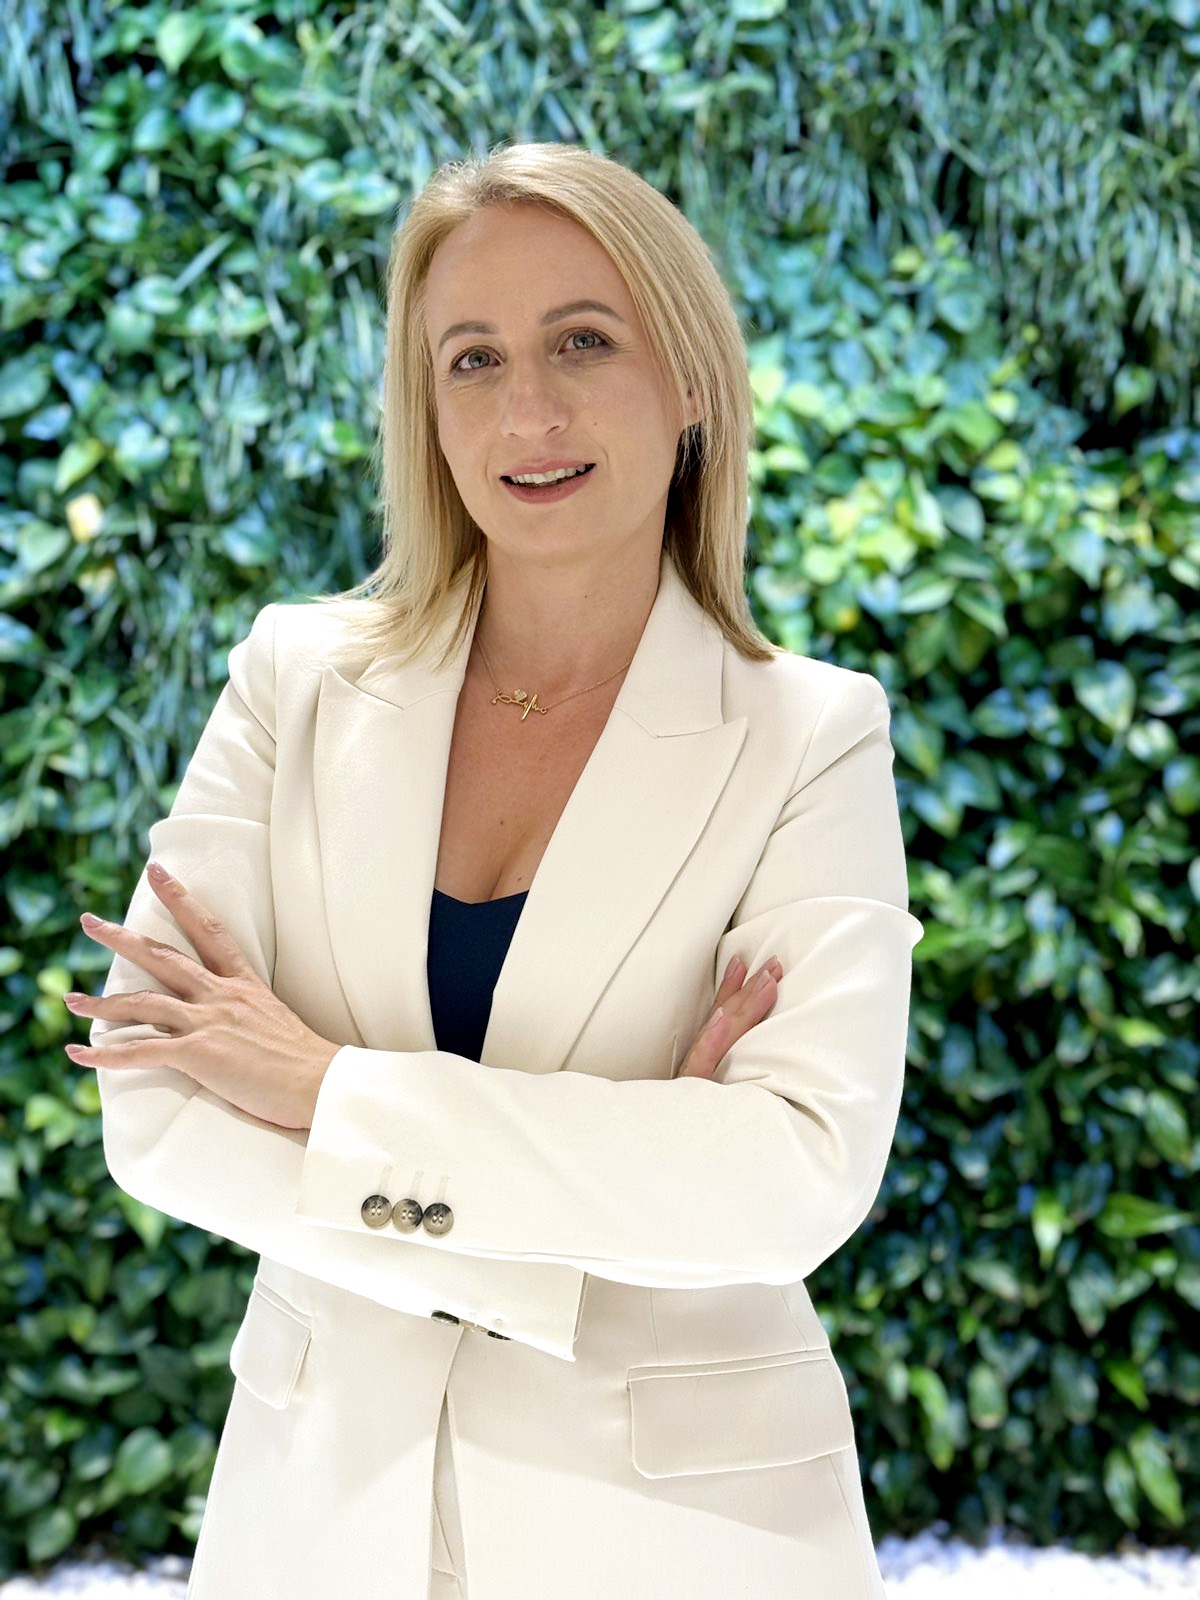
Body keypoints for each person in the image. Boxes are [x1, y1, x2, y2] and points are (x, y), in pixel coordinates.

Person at [71, 142, 924, 1599]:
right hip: (315, 1519)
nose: (528, 413)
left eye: (582, 342)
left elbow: (793, 1178)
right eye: (473, 359)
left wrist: (321, 1090)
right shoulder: (293, 682)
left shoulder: (809, 737)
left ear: (693, 379)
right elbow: (156, 1101)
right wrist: (626, 1174)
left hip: (683, 1543)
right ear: (428, 406)